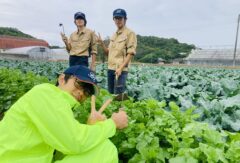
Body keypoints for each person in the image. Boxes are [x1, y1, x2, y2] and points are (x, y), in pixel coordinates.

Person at [0, 65, 128, 163]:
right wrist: (112, 124)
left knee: (102, 147)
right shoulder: (45, 93)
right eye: (79, 84)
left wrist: (91, 127)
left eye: (87, 92)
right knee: (105, 150)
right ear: (62, 79)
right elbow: (74, 142)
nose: (82, 93)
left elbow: (65, 142)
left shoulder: (58, 103)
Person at [98, 8, 137, 94]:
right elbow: (108, 53)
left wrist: (120, 68)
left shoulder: (130, 33)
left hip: (120, 70)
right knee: (110, 94)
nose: (118, 20)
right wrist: (101, 44)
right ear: (114, 20)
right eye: (116, 18)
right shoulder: (114, 34)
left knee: (118, 97)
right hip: (110, 68)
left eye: (120, 18)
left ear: (125, 19)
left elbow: (130, 53)